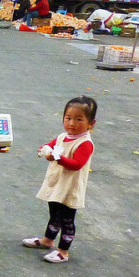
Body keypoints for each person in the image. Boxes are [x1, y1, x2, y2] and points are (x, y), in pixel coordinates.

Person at [23, 96, 97, 263]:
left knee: (67, 219)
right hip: (57, 184)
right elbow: (50, 145)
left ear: (91, 123)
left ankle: (63, 251)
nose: (72, 123)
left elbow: (77, 164)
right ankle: (47, 240)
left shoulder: (84, 143)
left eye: (79, 119)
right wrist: (44, 150)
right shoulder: (63, 136)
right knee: (54, 214)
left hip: (70, 187)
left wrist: (58, 158)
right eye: (68, 118)